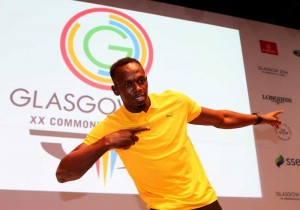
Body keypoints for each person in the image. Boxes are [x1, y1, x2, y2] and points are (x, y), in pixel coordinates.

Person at [56, 57, 283, 210]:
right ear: (116, 90)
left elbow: (221, 119)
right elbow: (64, 174)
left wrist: (259, 118)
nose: (138, 89)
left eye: (141, 80)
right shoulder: (111, 125)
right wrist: (106, 142)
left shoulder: (174, 101)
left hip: (206, 203)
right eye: (127, 85)